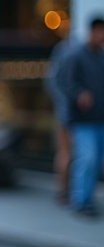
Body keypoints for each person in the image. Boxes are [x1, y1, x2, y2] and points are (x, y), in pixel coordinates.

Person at [56, 16, 104, 217]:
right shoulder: (75, 55)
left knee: (95, 161)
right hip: (82, 119)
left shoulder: (101, 56)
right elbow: (62, 82)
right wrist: (79, 94)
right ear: (92, 31)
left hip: (100, 118)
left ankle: (87, 199)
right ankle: (80, 200)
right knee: (86, 159)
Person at [46, 32, 78, 204]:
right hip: (70, 113)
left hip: (73, 113)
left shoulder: (69, 49)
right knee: (67, 153)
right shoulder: (68, 49)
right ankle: (64, 191)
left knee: (68, 153)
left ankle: (65, 191)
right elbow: (53, 80)